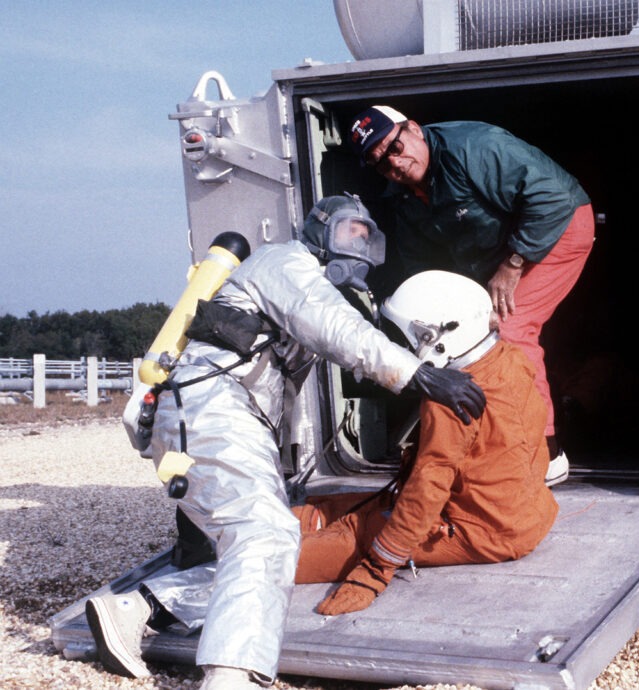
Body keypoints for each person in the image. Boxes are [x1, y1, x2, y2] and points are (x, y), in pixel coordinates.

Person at [84, 195, 486, 689]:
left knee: (269, 545)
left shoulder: (304, 288)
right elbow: (337, 329)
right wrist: (418, 375)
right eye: (349, 234)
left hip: (222, 414)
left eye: (369, 240)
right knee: (265, 534)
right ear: (318, 230)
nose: (359, 250)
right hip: (210, 406)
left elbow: (283, 393)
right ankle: (233, 678)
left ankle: (136, 606)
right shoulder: (284, 263)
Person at [348, 105, 595, 485]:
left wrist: (513, 265)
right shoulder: (403, 195)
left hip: (558, 227)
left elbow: (553, 199)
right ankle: (496, 440)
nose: (394, 164)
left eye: (395, 147)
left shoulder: (473, 146)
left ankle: (546, 452)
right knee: (465, 334)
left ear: (413, 129)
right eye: (381, 163)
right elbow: (422, 266)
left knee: (508, 333)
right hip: (502, 251)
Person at [293, 270, 558, 614]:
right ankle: (277, 522)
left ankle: (238, 558)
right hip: (528, 516)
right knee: (351, 507)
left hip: (483, 533)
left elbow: (428, 487)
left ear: (436, 336)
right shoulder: (511, 359)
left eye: (408, 338)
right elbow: (531, 448)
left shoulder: (450, 400)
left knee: (361, 533)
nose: (405, 348)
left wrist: (376, 569)